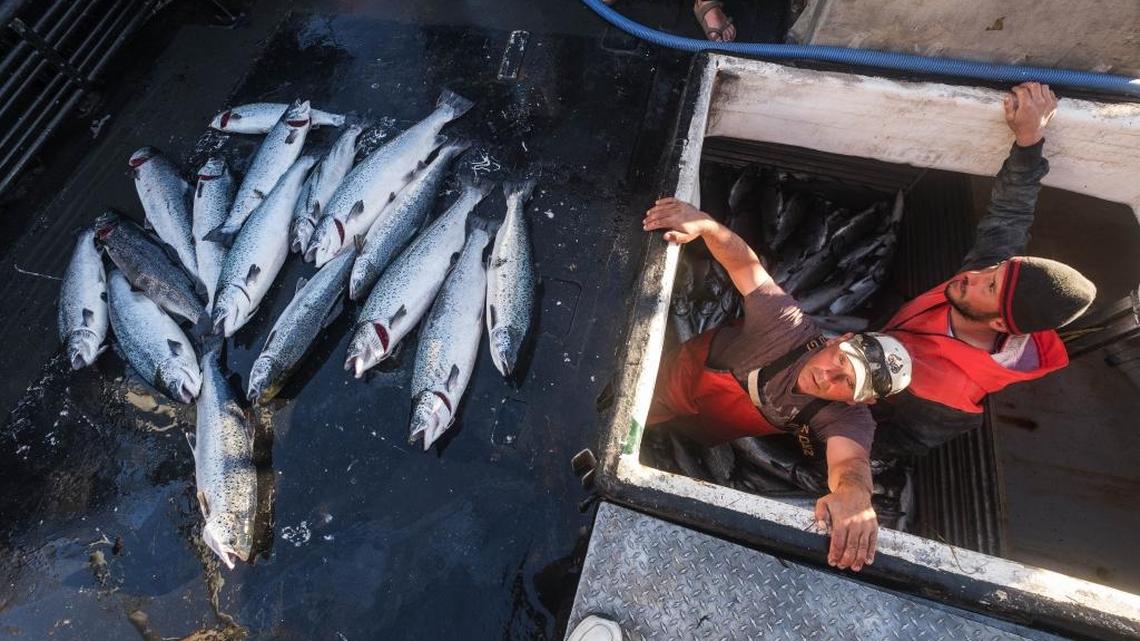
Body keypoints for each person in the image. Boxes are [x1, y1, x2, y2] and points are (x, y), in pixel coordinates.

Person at [642, 197, 913, 573]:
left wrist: (854, 494)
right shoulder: (786, 325)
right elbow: (746, 266)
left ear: (861, 401)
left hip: (709, 427)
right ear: (841, 339)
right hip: (673, 378)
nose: (828, 377)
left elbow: (850, 462)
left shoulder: (848, 419)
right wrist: (706, 226)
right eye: (840, 361)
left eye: (848, 383)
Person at [873, 82, 1097, 458]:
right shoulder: (992, 282)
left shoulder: (953, 397)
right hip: (889, 330)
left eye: (989, 286)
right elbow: (1011, 214)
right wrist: (1029, 139)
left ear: (998, 324)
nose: (973, 275)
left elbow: (902, 442)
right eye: (995, 268)